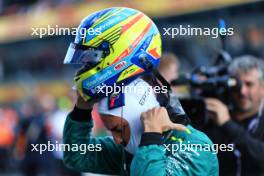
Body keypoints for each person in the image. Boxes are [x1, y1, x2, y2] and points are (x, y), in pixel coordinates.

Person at [63, 7, 218, 176]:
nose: (116, 140)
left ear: (142, 113)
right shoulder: (128, 150)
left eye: (118, 130)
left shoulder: (196, 145)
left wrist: (151, 137)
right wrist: (81, 110)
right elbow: (77, 155)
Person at [205, 55, 264, 175]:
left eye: (249, 84)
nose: (242, 91)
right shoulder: (216, 116)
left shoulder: (224, 120)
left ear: (262, 87)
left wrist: (227, 125)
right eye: (236, 84)